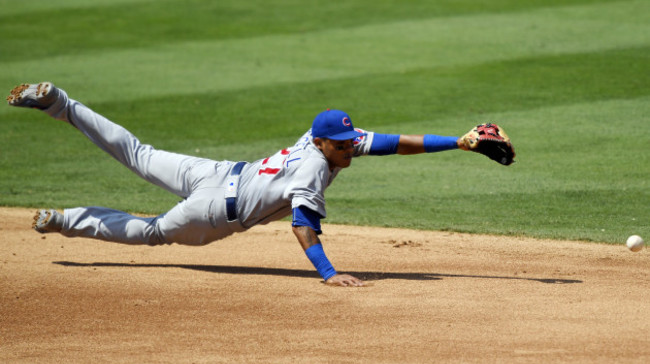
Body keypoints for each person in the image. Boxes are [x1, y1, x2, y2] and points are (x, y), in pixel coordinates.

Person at [7, 82, 513, 287]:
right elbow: (302, 226)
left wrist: (459, 142)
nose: (350, 149)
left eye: (348, 143)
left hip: (218, 172)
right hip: (211, 214)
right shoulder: (313, 169)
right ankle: (67, 221)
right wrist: (328, 273)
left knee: (137, 153)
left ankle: (60, 104)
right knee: (151, 233)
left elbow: (391, 143)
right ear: (324, 144)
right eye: (343, 146)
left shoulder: (322, 139)